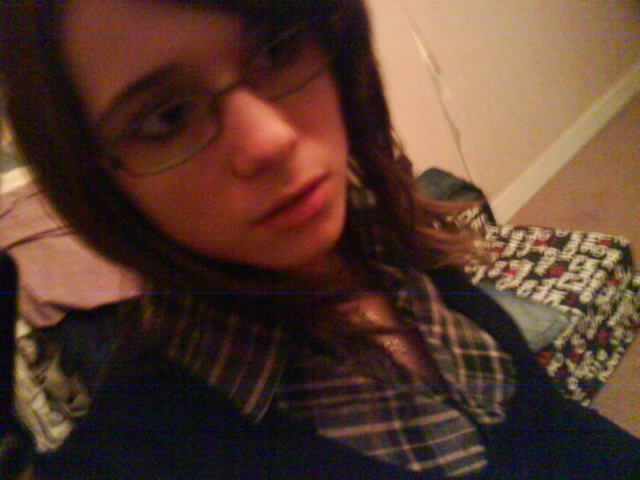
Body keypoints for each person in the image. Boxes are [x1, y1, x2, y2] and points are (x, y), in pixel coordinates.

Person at [0, 0, 638, 478]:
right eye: (168, 116)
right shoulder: (145, 449)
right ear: (97, 180)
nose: (271, 140)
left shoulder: (379, 229)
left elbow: (551, 425)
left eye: (277, 49)